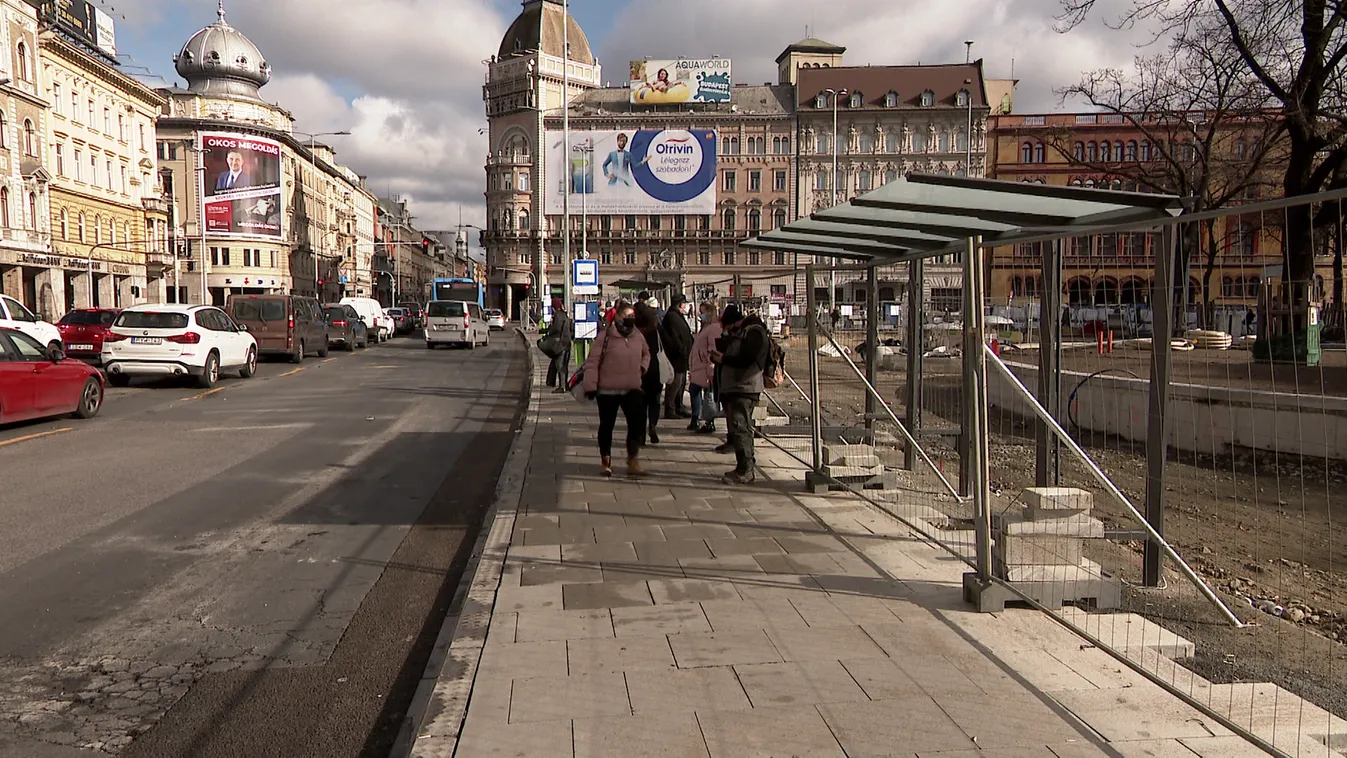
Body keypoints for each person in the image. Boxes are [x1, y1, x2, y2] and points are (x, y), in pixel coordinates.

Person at [582, 303, 651, 477]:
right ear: (618, 316)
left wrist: (642, 368)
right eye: (627, 316)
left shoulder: (637, 335)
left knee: (636, 424)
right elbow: (592, 362)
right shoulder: (606, 336)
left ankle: (633, 460)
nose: (630, 319)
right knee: (607, 425)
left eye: (632, 316)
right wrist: (590, 385)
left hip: (632, 388)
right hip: (608, 390)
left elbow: (646, 353)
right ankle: (606, 461)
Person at [712, 306, 770, 485]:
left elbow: (747, 358)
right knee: (739, 428)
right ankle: (744, 467)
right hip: (738, 386)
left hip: (744, 387)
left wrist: (724, 359)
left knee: (741, 429)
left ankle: (745, 470)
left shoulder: (754, 332)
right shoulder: (746, 332)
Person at [688, 300, 722, 433]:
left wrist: (711, 368)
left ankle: (707, 420)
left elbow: (713, 349)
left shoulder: (713, 328)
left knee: (706, 395)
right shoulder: (705, 327)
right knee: (697, 391)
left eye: (702, 312)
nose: (700, 315)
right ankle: (697, 418)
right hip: (699, 366)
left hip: (705, 367)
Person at [634, 302, 664, 444]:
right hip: (654, 370)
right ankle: (652, 426)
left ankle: (640, 435)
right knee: (654, 401)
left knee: (640, 404)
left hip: (639, 370)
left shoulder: (635, 334)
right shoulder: (656, 332)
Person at [661, 294, 694, 419]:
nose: (685, 306)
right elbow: (674, 338)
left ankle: (678, 406)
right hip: (676, 357)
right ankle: (670, 408)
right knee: (675, 383)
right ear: (680, 304)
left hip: (682, 356)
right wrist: (682, 349)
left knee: (681, 382)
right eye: (684, 303)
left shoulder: (677, 316)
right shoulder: (671, 317)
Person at [544, 295, 571, 392]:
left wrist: (549, 332)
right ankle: (559, 384)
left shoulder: (558, 316)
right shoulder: (564, 315)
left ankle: (562, 387)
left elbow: (556, 329)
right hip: (566, 342)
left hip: (560, 344)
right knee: (561, 364)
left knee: (560, 365)